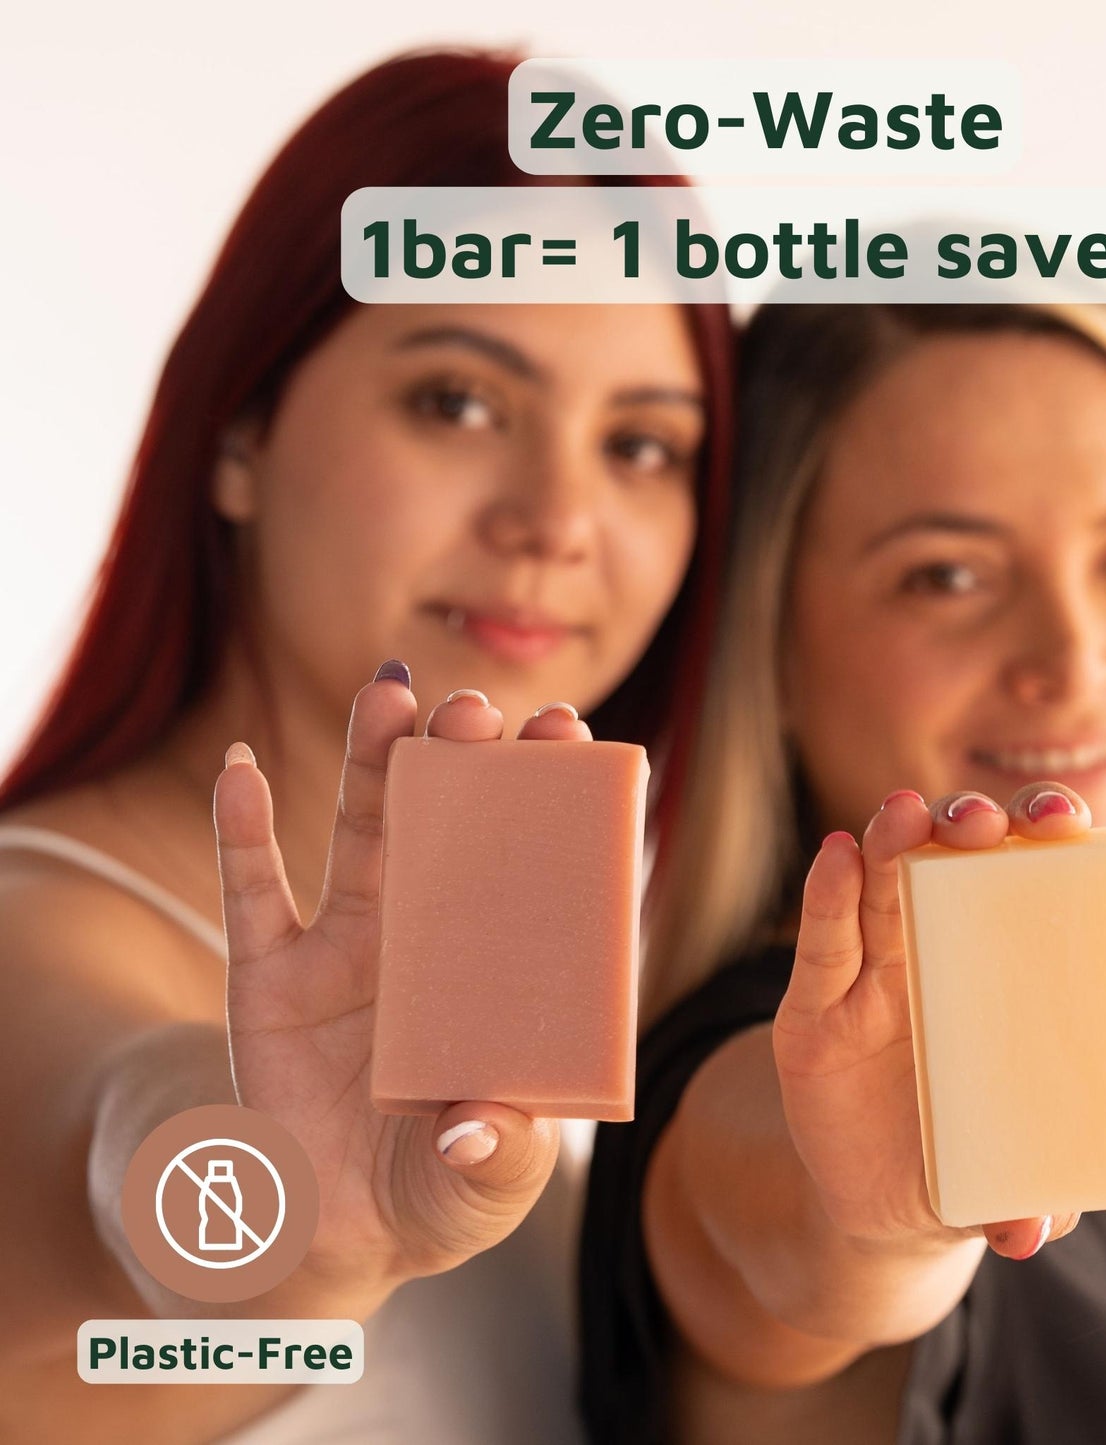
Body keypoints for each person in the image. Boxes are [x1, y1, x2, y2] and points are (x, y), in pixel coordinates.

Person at [0, 48, 733, 1443]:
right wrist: (291, 1217)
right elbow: (129, 1140)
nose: (557, 517)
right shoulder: (33, 934)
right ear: (239, 431)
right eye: (459, 400)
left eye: (642, 444)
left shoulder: (501, 1026)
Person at [580, 302, 1106, 1443]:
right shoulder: (749, 1066)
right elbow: (778, 1229)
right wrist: (882, 1224)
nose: (1074, 652)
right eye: (944, 575)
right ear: (768, 645)